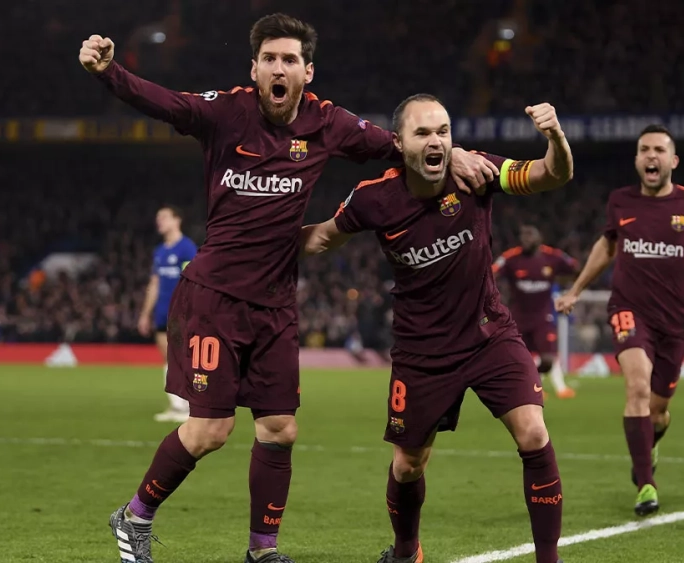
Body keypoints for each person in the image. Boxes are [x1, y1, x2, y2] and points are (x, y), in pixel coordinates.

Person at [79, 13, 499, 563]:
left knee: (280, 428)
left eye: (290, 60)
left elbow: (401, 146)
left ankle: (262, 550)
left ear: (307, 71)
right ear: (254, 69)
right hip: (214, 299)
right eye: (270, 59)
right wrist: (111, 71)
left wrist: (458, 153)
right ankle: (133, 516)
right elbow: (168, 103)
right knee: (210, 432)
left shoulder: (328, 123)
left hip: (276, 304)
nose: (280, 68)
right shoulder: (226, 113)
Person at [300, 93, 573, 563]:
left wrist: (554, 136)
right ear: (399, 143)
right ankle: (407, 552)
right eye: (423, 133)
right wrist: (251, 242)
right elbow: (323, 236)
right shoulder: (373, 199)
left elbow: (553, 174)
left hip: (489, 335)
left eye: (443, 131)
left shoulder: (477, 173)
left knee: (533, 433)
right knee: (408, 465)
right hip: (421, 352)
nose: (436, 141)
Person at [554, 124, 684, 516]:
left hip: (673, 323)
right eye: (644, 149)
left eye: (659, 150)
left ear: (672, 160)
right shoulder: (621, 202)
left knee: (658, 410)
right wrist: (576, 289)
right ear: (636, 159)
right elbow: (606, 246)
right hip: (628, 310)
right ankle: (646, 483)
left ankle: (651, 442)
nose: (651, 156)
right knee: (637, 389)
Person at [493, 225, 578, 399]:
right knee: (514, 358)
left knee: (547, 359)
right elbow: (490, 273)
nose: (526, 239)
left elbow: (576, 268)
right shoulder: (511, 258)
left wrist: (570, 289)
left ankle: (534, 382)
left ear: (540, 237)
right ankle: (528, 386)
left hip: (542, 317)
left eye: (530, 236)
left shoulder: (552, 256)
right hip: (517, 318)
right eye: (523, 236)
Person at [137, 205, 197, 423]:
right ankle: (177, 405)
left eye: (163, 217)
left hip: (181, 311)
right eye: (157, 217)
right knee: (168, 357)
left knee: (182, 356)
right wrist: (145, 313)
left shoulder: (187, 248)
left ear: (176, 220)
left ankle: (190, 404)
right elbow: (154, 283)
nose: (159, 221)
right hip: (162, 312)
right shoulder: (160, 251)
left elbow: (193, 280)